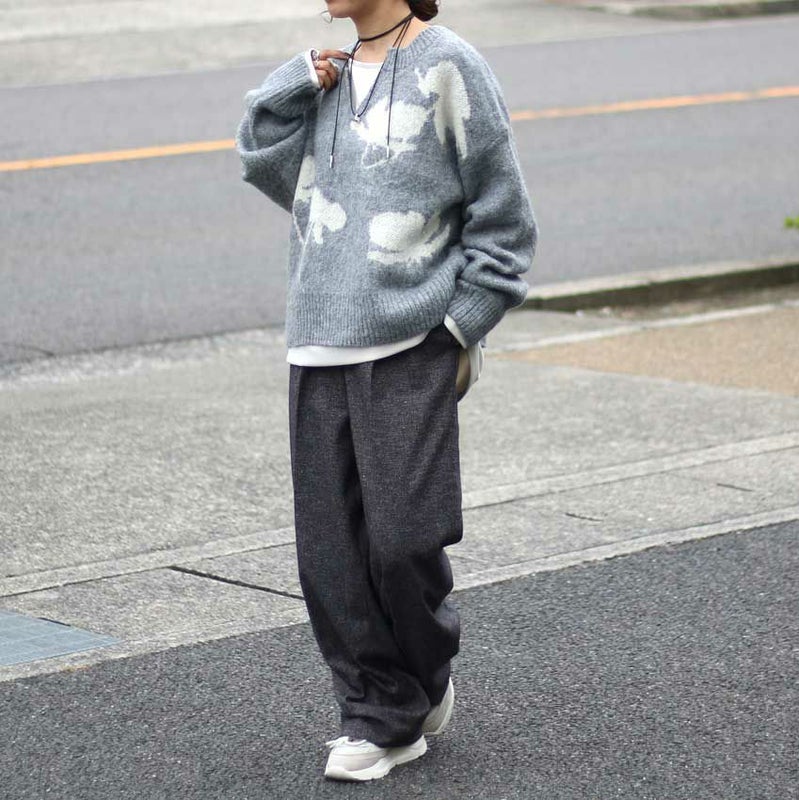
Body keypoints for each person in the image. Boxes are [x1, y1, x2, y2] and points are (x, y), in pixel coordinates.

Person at [235, 0, 537, 782]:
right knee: (330, 556)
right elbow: (262, 159)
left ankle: (419, 674)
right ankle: (380, 713)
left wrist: (460, 327)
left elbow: (505, 219)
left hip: (412, 343)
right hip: (317, 341)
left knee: (403, 540)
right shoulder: (325, 80)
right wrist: (295, 81)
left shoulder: (451, 65)